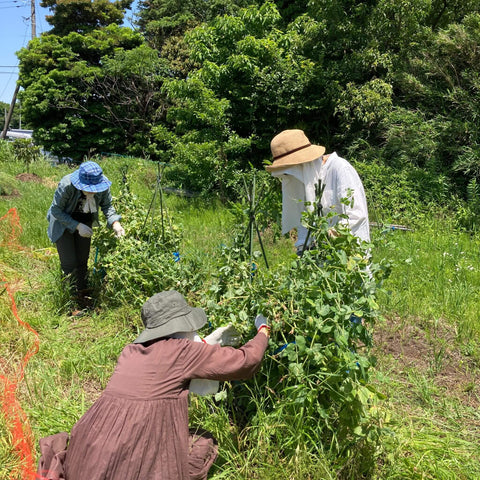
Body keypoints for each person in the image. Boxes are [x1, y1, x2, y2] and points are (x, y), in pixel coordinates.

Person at [36, 290, 270, 480]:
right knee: (202, 443)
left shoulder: (131, 351)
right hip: (125, 469)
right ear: (183, 324)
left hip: (85, 455)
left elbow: (162, 372)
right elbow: (246, 362)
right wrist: (263, 331)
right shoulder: (183, 352)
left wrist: (204, 348)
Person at [266, 129, 370, 255]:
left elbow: (356, 215)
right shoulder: (305, 178)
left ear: (303, 164)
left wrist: (328, 235)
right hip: (319, 258)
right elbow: (304, 219)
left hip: (348, 256)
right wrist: (304, 248)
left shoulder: (339, 169)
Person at [47, 161, 125, 311]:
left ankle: (82, 293)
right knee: (69, 263)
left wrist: (115, 223)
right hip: (63, 223)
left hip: (85, 221)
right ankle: (69, 300)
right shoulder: (67, 185)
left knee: (82, 260)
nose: (92, 192)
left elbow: (107, 206)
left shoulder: (102, 185)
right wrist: (76, 226)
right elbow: (56, 211)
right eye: (88, 189)